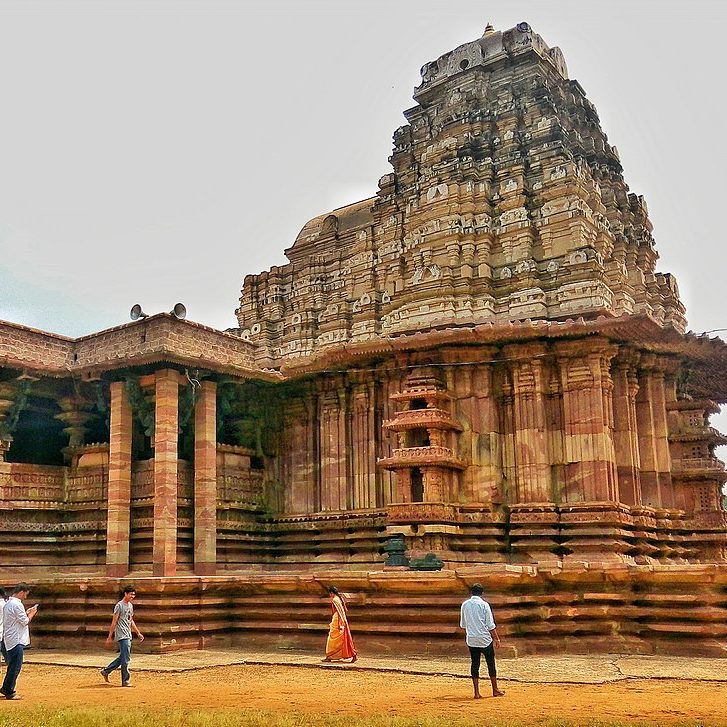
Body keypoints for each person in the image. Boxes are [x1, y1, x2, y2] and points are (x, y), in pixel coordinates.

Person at [459, 583, 504, 699]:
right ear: (482, 593)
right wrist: (497, 638)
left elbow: (463, 625)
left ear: (471, 592)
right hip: (484, 639)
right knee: (490, 663)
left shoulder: (465, 605)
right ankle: (495, 689)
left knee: (475, 664)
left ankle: (476, 692)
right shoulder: (484, 605)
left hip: (471, 639)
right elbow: (490, 625)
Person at [100, 585, 144, 687]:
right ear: (125, 594)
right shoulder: (119, 606)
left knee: (123, 657)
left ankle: (106, 671)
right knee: (126, 658)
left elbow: (130, 620)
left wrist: (138, 632)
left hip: (128, 633)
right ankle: (125, 680)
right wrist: (110, 636)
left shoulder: (130, 606)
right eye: (131, 594)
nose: (133, 596)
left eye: (134, 594)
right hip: (121, 634)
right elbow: (114, 620)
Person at [0, 583, 38, 700]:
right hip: (16, 640)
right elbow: (24, 621)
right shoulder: (16, 605)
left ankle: (6, 687)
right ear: (21, 592)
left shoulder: (8, 604)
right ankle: (9, 691)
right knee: (15, 666)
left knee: (12, 665)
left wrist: (25, 613)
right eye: (25, 594)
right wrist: (31, 614)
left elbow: (15, 619)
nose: (25, 597)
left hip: (9, 638)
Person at [321, 586, 357, 663]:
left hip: (338, 620)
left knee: (332, 639)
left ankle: (329, 656)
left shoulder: (335, 600)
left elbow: (339, 612)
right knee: (345, 639)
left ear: (331, 593)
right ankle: (353, 655)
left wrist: (340, 624)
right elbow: (342, 611)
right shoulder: (339, 599)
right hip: (340, 619)